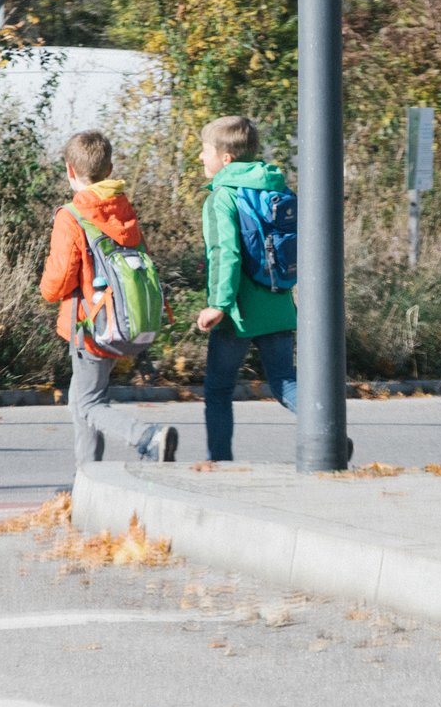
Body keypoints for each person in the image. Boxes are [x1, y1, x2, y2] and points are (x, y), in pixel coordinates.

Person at [39, 130, 177, 470]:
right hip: (125, 318)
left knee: (84, 404)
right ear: (111, 168)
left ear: (70, 170)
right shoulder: (123, 209)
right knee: (86, 399)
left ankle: (146, 436)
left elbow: (56, 283)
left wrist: (47, 289)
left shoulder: (72, 216)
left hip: (90, 323)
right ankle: (90, 478)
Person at [196, 115, 299, 464]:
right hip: (280, 303)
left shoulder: (222, 198)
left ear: (225, 158)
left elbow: (226, 254)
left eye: (205, 150)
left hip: (238, 311)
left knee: (219, 389)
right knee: (285, 383)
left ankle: (219, 462)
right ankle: (328, 432)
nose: (200, 157)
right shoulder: (277, 188)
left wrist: (218, 304)